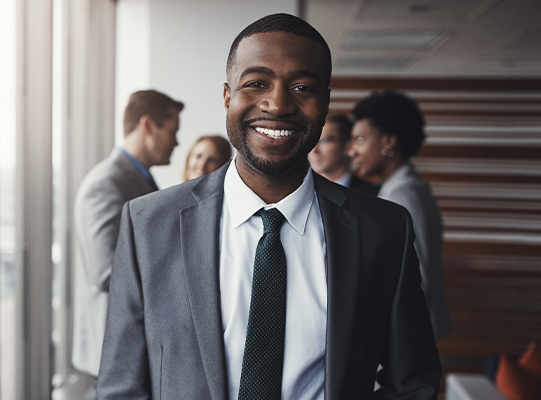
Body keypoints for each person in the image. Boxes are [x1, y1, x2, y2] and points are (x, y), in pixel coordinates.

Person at [98, 13, 441, 400]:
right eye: (257, 83)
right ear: (227, 97)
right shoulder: (148, 224)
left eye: (302, 87)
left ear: (325, 103)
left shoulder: (384, 230)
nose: (277, 104)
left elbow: (413, 382)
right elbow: (120, 387)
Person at [72, 89, 184, 380]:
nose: (176, 141)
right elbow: (107, 272)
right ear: (148, 126)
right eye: (172, 131)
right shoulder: (106, 185)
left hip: (133, 352)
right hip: (112, 359)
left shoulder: (141, 180)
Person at [349, 90, 451, 341]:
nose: (352, 152)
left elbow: (417, 280)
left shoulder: (404, 197)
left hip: (407, 340)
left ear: (388, 142)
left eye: (360, 140)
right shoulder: (402, 190)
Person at [308, 114, 379, 195]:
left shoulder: (374, 194)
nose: (314, 150)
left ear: (347, 146)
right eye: (312, 141)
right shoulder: (302, 193)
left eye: (323, 141)